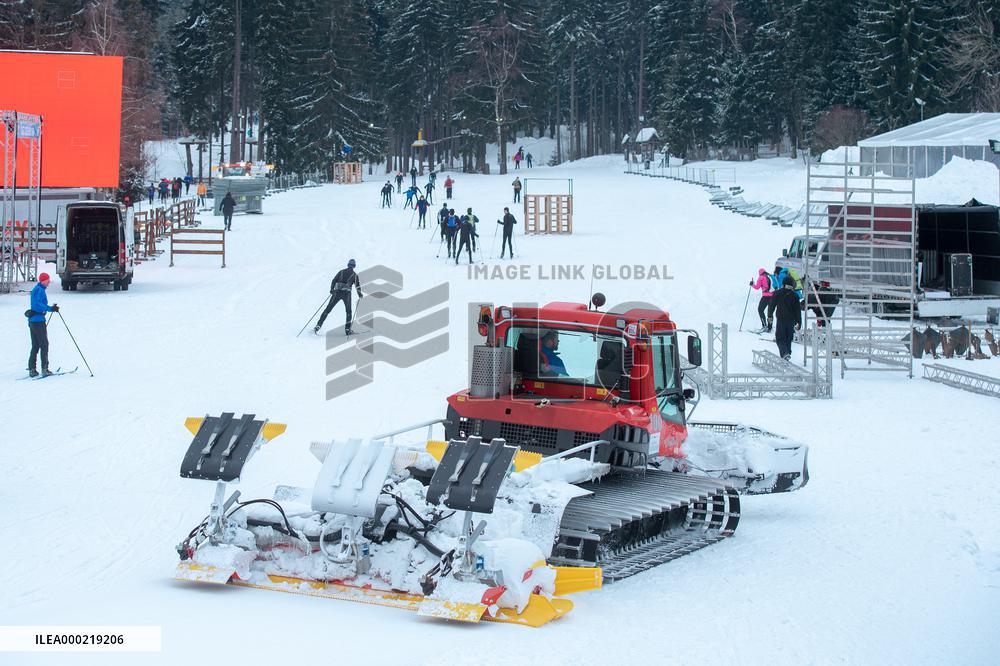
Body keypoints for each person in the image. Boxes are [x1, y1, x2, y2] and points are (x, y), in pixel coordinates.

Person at [315, 259, 363, 335]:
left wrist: (331, 289)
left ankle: (318, 326)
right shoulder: (354, 275)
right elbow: (357, 286)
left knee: (328, 309)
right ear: (354, 266)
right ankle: (347, 330)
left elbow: (334, 280)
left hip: (336, 293)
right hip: (346, 294)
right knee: (348, 312)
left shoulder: (341, 272)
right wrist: (360, 295)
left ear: (348, 265)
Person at [26, 273, 58, 377]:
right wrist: (49, 308)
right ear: (43, 280)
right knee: (44, 344)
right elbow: (37, 305)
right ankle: (44, 369)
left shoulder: (39, 289)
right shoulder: (39, 290)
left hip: (34, 321)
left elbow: (38, 304)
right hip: (38, 321)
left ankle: (32, 369)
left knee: (36, 345)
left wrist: (50, 308)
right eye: (47, 280)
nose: (49, 282)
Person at [771, 276, 802, 360]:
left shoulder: (777, 293)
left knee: (780, 337)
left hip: (781, 319)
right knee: (788, 337)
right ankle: (787, 352)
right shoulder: (795, 295)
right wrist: (799, 322)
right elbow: (797, 310)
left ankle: (785, 353)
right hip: (791, 320)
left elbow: (772, 305)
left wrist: (770, 315)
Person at [750, 268, 773, 332]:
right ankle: (770, 327)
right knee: (770, 312)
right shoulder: (769, 276)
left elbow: (757, 287)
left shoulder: (761, 277)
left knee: (760, 310)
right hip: (772, 296)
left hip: (765, 296)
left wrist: (752, 285)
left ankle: (764, 325)